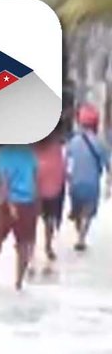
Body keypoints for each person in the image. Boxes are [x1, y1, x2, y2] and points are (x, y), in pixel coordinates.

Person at [0, 142, 40, 290]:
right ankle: (19, 283)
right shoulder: (30, 154)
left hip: (4, 203)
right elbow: (35, 181)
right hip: (27, 203)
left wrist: (8, 203)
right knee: (23, 245)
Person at [66, 104, 109, 252]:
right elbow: (107, 163)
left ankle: (79, 233)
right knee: (88, 212)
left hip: (75, 182)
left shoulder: (73, 141)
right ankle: (82, 237)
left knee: (77, 211)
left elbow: (67, 160)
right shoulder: (100, 143)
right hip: (92, 183)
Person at [34, 124, 67, 269]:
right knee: (49, 221)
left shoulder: (33, 148)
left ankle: (31, 247)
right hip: (53, 189)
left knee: (34, 220)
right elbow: (62, 168)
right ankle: (47, 247)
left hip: (35, 189)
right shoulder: (57, 147)